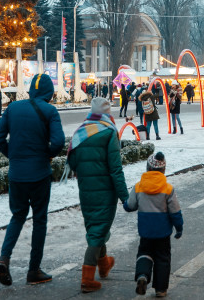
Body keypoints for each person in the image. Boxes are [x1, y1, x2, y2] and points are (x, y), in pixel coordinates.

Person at [0, 73, 66, 287]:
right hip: (39, 174)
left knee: (17, 216)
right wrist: (47, 154)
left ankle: (4, 257)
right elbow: (59, 142)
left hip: (16, 174)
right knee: (39, 220)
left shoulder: (13, 108)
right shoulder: (50, 110)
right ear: (49, 93)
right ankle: (34, 270)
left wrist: (13, 156)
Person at [66, 97, 128, 293]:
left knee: (95, 226)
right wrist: (125, 197)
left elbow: (72, 162)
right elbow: (115, 169)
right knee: (97, 231)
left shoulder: (81, 132)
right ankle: (86, 279)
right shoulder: (109, 132)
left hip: (86, 191)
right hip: (105, 191)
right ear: (107, 113)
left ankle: (103, 265)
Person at [123, 152, 183, 297]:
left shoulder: (138, 186)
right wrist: (179, 227)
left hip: (146, 231)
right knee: (162, 258)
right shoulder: (168, 188)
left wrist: (126, 204)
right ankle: (161, 290)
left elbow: (130, 205)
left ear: (147, 168)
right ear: (164, 170)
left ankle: (142, 275)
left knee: (144, 252)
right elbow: (175, 211)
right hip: (162, 232)